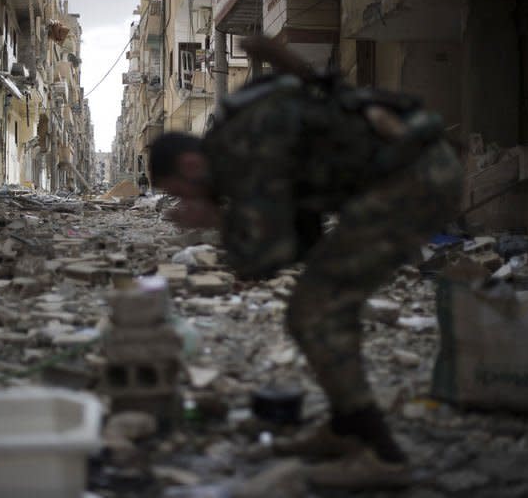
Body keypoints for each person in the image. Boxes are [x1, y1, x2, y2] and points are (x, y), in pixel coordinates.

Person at [149, 38, 463, 489]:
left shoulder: (245, 151)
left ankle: (382, 455)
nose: (181, 205)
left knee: (316, 312)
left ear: (191, 164)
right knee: (320, 306)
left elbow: (263, 261)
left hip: (412, 183)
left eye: (179, 192)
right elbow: (302, 237)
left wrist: (216, 218)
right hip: (403, 177)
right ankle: (346, 427)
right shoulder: (236, 151)